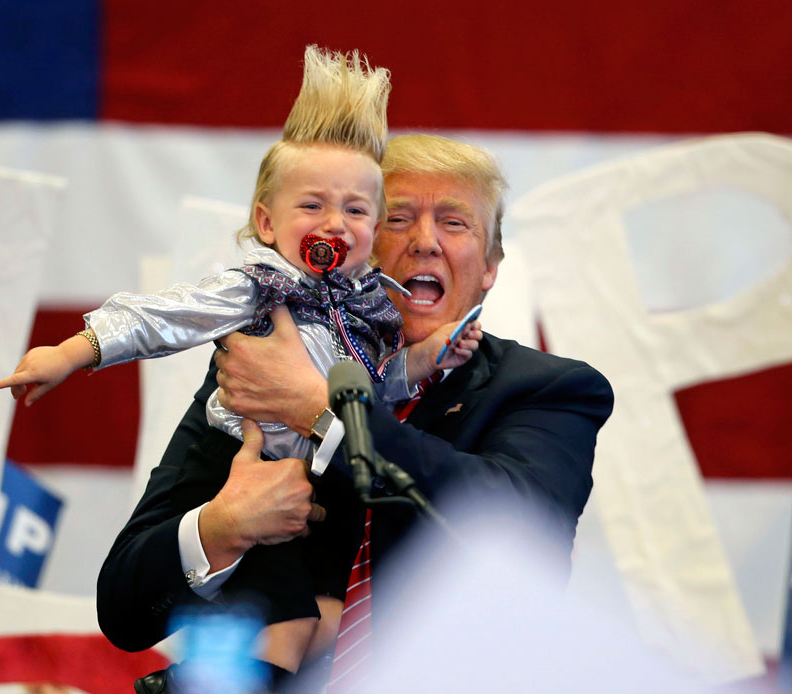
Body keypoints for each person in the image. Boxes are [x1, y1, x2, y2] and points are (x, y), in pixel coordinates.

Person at [0, 47, 480, 675]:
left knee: (332, 618)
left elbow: (370, 391)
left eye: (357, 211)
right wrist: (73, 350)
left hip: (318, 510)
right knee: (291, 623)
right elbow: (165, 316)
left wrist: (423, 360)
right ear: (266, 222)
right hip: (235, 467)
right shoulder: (257, 287)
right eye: (312, 206)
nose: (335, 222)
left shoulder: (372, 310)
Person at [97, 133, 613, 686]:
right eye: (397, 218)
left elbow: (519, 532)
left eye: (455, 223)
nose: (425, 241)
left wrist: (319, 410)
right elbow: (125, 611)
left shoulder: (549, 389)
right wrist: (223, 527)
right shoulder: (262, 368)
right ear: (357, 245)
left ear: (490, 266)